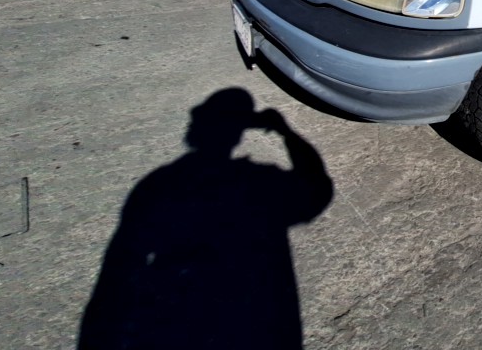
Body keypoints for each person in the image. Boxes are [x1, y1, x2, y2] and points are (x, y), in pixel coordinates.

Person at [79, 89, 333, 350]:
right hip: (254, 321)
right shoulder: (258, 182)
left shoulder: (158, 184)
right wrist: (286, 133)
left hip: (173, 322)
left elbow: (119, 267)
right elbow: (318, 190)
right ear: (239, 130)